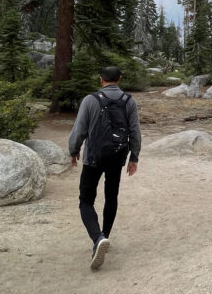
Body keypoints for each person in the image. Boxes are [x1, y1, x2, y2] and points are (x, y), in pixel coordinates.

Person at [68, 66, 141, 271]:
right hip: (117, 158)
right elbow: (135, 130)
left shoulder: (90, 100)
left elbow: (79, 130)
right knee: (111, 197)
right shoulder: (129, 101)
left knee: (86, 200)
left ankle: (97, 238)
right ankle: (104, 236)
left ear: (101, 80)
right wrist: (134, 157)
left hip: (93, 157)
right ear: (119, 78)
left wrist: (73, 151)